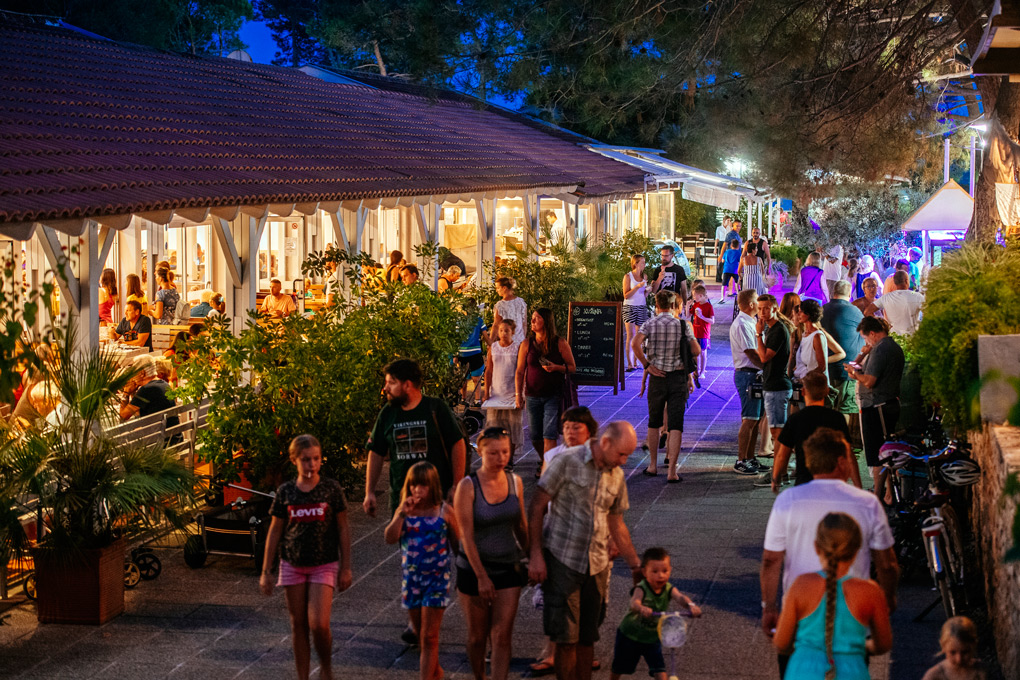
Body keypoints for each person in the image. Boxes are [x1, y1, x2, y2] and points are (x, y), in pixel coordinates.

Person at [761, 427, 899, 677]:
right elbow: (887, 563)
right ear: (841, 461)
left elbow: (771, 560)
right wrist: (886, 598)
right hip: (855, 619)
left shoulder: (788, 500)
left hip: (801, 618)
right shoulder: (867, 503)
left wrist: (769, 607)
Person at [528, 421, 643, 680]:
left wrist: (635, 564)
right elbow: (536, 506)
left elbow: (617, 522)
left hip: (597, 565)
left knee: (586, 639)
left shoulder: (616, 474)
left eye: (628, 455)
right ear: (605, 443)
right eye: (622, 454)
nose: (624, 461)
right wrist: (535, 554)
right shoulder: (567, 461)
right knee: (566, 640)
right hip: (562, 561)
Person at [365, 357, 468, 645]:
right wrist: (370, 491)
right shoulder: (388, 413)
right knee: (410, 558)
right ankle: (416, 622)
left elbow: (457, 443)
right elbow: (376, 451)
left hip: (437, 499)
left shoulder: (435, 408)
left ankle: (430, 617)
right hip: (405, 500)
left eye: (391, 383)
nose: (386, 388)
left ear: (407, 385)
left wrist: (457, 485)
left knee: (438, 559)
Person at [260, 435, 352, 680]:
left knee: (319, 624)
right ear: (294, 461)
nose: (311, 465)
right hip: (292, 563)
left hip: (324, 562)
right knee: (298, 624)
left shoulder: (331, 489)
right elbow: (276, 529)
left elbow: (342, 527)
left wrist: (346, 567)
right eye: (305, 460)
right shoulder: (286, 492)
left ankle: (326, 667)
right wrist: (266, 570)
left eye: (316, 459)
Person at [773, 512, 893, 680]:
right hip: (852, 672)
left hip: (803, 670)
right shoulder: (870, 591)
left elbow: (781, 643)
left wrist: (805, 648)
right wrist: (861, 646)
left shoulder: (801, 585)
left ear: (816, 547)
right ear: (857, 548)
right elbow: (883, 644)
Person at [453, 428, 527, 680]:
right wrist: (481, 576)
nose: (500, 458)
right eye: (493, 453)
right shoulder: (468, 486)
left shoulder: (515, 482)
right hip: (474, 569)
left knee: (502, 635)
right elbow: (466, 535)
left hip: (508, 565)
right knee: (477, 637)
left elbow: (521, 526)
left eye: (505, 452)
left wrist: (533, 555)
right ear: (481, 452)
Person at [384, 462, 459, 680]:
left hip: (437, 580)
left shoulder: (444, 511)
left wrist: (464, 573)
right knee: (420, 635)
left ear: (432, 486)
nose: (418, 490)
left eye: (423, 486)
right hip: (412, 580)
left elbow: (458, 544)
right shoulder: (406, 511)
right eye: (414, 485)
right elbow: (389, 538)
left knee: (430, 636)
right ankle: (436, 673)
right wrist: (400, 514)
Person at [632, 290, 700, 482]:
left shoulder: (649, 324)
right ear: (672, 305)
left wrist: (647, 365)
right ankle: (672, 471)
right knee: (676, 424)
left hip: (657, 377)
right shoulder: (682, 325)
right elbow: (695, 350)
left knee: (654, 423)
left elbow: (635, 344)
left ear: (657, 304)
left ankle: (652, 466)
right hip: (677, 378)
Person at [609, 547, 702, 680]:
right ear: (644, 572)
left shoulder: (668, 588)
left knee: (660, 671)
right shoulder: (642, 587)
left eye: (665, 571)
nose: (661, 575)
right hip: (630, 635)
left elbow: (680, 597)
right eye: (655, 571)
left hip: (652, 638)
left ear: (670, 570)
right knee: (620, 666)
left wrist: (691, 605)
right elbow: (634, 602)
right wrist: (641, 608)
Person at [759, 372, 859, 490]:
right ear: (827, 391)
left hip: (804, 482)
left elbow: (783, 454)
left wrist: (775, 478)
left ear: (803, 392)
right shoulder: (837, 418)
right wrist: (858, 485)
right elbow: (849, 454)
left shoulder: (795, 419)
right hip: (831, 482)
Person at [846, 316, 904, 504]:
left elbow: (870, 381)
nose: (866, 342)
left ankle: (879, 495)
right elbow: (854, 367)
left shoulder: (882, 350)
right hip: (881, 404)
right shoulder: (885, 347)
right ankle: (885, 493)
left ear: (872, 333)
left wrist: (857, 376)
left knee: (879, 453)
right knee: (882, 451)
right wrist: (862, 355)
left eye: (865, 338)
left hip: (878, 405)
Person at [515, 308, 576, 458]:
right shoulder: (527, 344)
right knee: (535, 435)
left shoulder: (560, 343)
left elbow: (572, 367)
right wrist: (518, 394)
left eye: (537, 318)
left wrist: (556, 367)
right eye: (532, 318)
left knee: (549, 434)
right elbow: (520, 371)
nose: (533, 321)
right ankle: (545, 460)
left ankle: (548, 466)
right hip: (532, 395)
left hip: (553, 394)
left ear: (546, 321)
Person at [730, 289, 767, 475]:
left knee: (756, 418)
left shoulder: (750, 321)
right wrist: (766, 367)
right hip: (748, 374)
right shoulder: (743, 324)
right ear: (751, 304)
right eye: (757, 303)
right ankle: (741, 459)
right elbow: (750, 352)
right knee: (749, 418)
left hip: (754, 374)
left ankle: (750, 457)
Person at [482, 319, 524, 465]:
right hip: (496, 392)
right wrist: (486, 391)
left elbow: (520, 371)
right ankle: (495, 457)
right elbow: (489, 370)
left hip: (512, 392)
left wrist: (520, 394)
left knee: (512, 427)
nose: (503, 333)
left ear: (512, 332)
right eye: (500, 330)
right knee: (495, 426)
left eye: (506, 330)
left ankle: (509, 459)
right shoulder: (493, 347)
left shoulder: (517, 347)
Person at [756, 294, 791, 464]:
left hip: (778, 385)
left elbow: (764, 357)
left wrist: (758, 335)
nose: (762, 312)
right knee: (775, 429)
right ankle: (779, 468)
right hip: (772, 384)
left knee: (777, 431)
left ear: (775, 309)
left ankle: (780, 469)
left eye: (766, 308)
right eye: (759, 308)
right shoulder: (772, 328)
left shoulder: (777, 330)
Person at [822, 280, 864, 418]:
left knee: (826, 409)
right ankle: (841, 437)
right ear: (850, 294)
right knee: (844, 409)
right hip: (845, 369)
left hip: (825, 368)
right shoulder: (855, 311)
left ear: (833, 292)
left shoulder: (823, 309)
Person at [118, 354, 179, 431]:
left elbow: (123, 417)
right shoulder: (164, 384)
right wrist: (133, 392)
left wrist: (126, 393)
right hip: (172, 436)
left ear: (142, 373)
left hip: (161, 441)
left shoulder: (147, 389)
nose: (133, 376)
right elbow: (138, 414)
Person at [921, 616, 987, 680]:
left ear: (973, 645)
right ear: (943, 646)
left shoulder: (981, 671)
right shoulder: (935, 675)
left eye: (964, 652)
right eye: (953, 652)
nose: (959, 659)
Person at [791, 299, 838, 386]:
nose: (798, 315)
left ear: (808, 314)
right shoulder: (805, 334)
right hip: (808, 383)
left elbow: (821, 366)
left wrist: (807, 377)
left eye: (801, 312)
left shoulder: (817, 336)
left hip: (816, 385)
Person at [865, 270, 923, 336]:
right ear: (907, 281)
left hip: (893, 339)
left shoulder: (886, 297)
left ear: (894, 283)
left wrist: (882, 324)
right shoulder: (917, 296)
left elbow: (867, 312)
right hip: (913, 338)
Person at [622, 254, 649, 372]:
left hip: (641, 306)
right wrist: (638, 286)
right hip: (630, 307)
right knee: (630, 334)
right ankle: (629, 364)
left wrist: (648, 290)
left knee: (640, 335)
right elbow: (626, 295)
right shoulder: (628, 276)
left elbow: (643, 295)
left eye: (644, 262)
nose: (644, 264)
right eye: (642, 262)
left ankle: (636, 361)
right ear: (635, 263)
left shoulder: (644, 276)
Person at [491, 276, 528, 344]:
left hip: (507, 341)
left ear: (504, 288)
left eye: (498, 288)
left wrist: (490, 342)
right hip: (521, 341)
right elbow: (524, 324)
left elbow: (496, 325)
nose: (496, 290)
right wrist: (523, 338)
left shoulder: (500, 305)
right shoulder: (521, 302)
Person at [689, 285, 714, 379]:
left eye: (694, 296)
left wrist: (702, 317)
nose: (694, 298)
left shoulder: (709, 306)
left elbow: (712, 321)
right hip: (695, 332)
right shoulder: (696, 304)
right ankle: (697, 370)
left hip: (704, 333)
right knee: (696, 353)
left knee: (703, 352)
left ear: (700, 295)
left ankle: (702, 371)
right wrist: (688, 306)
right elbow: (688, 315)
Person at [739, 226, 772, 296]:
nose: (755, 234)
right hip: (749, 266)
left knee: (761, 286)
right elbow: (743, 255)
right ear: (752, 233)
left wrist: (769, 268)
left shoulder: (763, 243)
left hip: (759, 267)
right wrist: (742, 265)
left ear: (759, 234)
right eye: (754, 233)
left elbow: (768, 256)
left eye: (757, 233)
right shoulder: (748, 243)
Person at [714, 216, 732, 283]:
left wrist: (730, 227)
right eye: (728, 220)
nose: (729, 222)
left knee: (728, 261)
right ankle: (718, 277)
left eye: (730, 220)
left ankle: (727, 277)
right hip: (721, 244)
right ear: (724, 221)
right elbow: (717, 238)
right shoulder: (719, 228)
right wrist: (715, 248)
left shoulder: (730, 229)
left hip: (729, 244)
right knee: (721, 261)